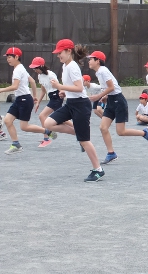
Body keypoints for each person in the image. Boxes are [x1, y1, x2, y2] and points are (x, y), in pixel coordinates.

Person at [43, 39, 105, 182]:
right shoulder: (66, 66)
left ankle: (98, 170)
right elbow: (73, 88)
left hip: (81, 105)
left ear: (68, 51)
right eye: (57, 53)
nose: (58, 55)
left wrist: (60, 87)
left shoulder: (72, 67)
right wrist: (65, 92)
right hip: (71, 103)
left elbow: (79, 88)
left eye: (60, 53)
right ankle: (79, 134)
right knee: (48, 123)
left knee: (85, 141)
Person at [95, 52, 148, 165]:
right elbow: (113, 87)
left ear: (97, 61)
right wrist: (106, 96)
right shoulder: (99, 72)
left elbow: (112, 86)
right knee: (103, 127)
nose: (89, 61)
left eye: (91, 59)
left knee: (121, 132)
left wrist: (98, 96)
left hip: (118, 101)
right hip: (112, 100)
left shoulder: (103, 71)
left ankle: (144, 133)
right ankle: (111, 153)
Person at [0, 47, 49, 154]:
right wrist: (34, 96)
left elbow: (15, 86)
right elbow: (32, 81)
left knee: (24, 127)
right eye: (7, 57)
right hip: (21, 99)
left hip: (24, 99)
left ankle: (47, 131)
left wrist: (0, 90)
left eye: (10, 57)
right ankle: (16, 144)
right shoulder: (20, 68)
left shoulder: (18, 70)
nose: (8, 59)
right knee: (7, 121)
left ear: (17, 57)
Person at [29, 56, 62, 147]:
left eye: (36, 68)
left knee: (42, 116)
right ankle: (78, 130)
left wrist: (63, 94)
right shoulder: (40, 76)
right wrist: (38, 102)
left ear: (41, 66)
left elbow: (59, 86)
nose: (35, 70)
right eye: (34, 68)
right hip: (52, 97)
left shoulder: (51, 75)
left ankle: (47, 137)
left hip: (57, 96)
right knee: (62, 120)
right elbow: (43, 90)